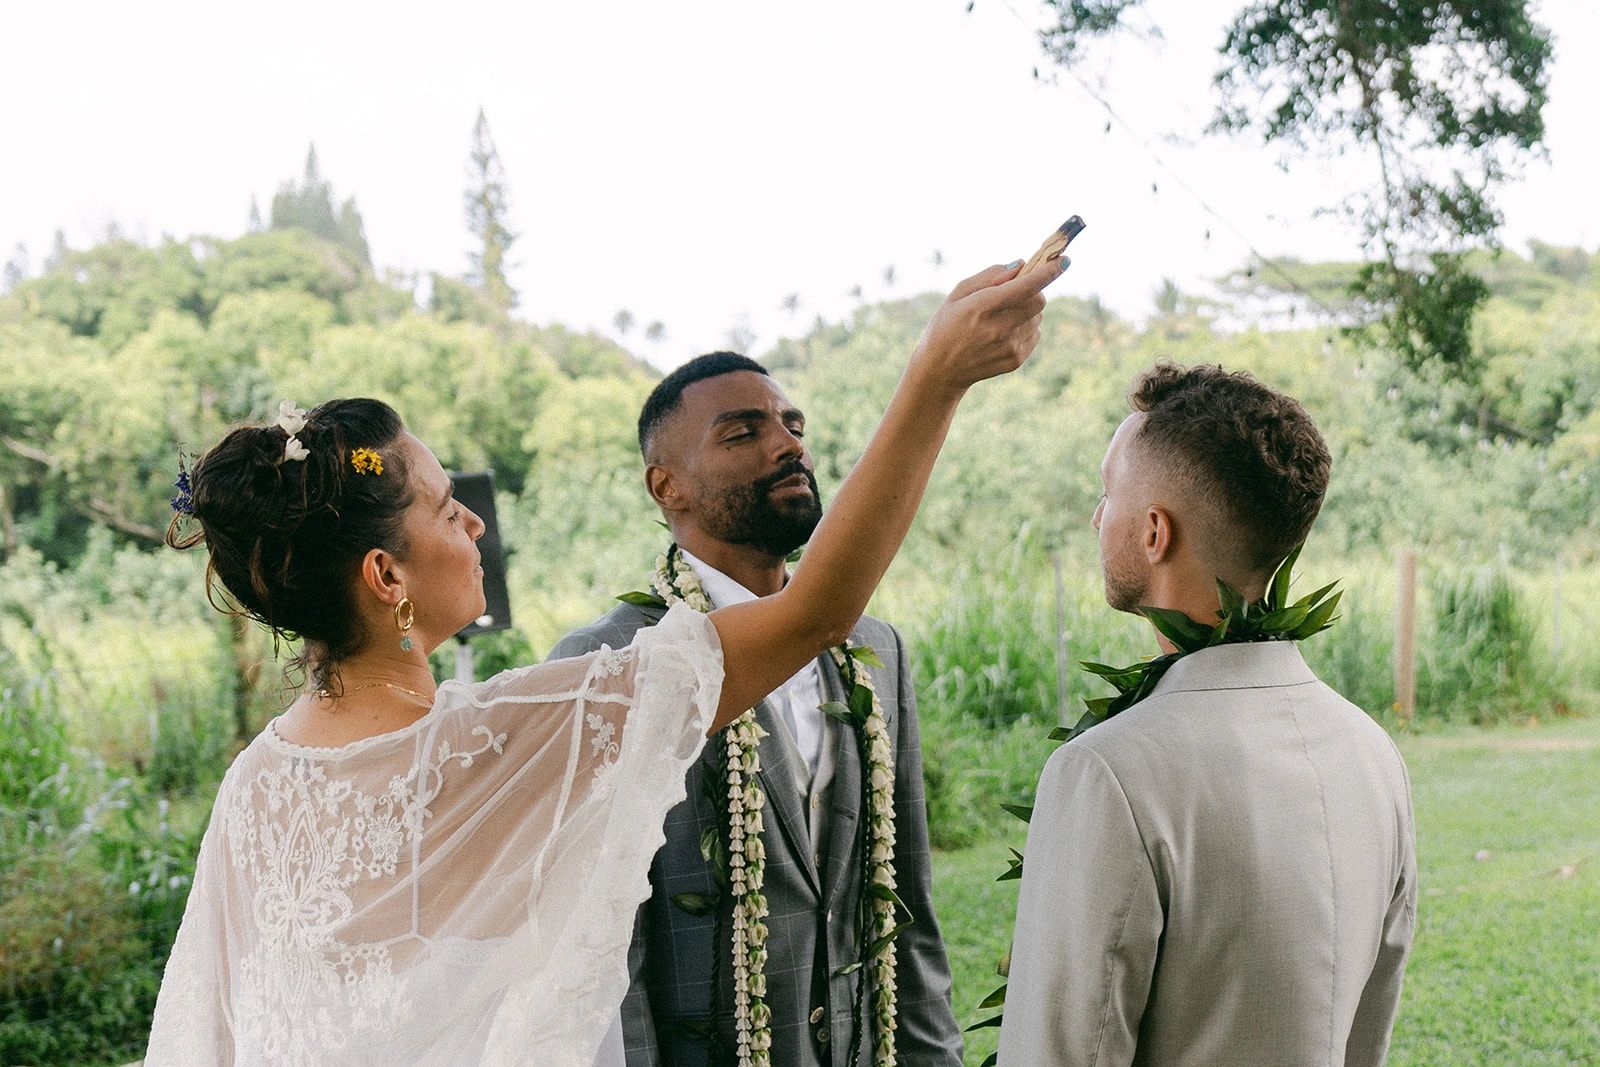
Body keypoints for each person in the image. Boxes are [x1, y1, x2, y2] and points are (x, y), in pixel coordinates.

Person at [141, 255, 1067, 1066]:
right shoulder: (507, 745)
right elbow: (820, 607)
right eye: (441, 506)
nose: (472, 520)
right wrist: (936, 377)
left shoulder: (256, 787)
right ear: (387, 574)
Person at [997, 363, 1417, 1066]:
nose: (1097, 516)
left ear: (1155, 532)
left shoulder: (1108, 772)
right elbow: (1366, 1036)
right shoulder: (1374, 753)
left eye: (1108, 494)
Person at [548, 353, 962, 1065]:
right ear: (666, 484)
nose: (787, 445)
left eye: (791, 425)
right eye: (742, 433)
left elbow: (909, 911)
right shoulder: (608, 665)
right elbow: (603, 961)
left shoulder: (875, 646)